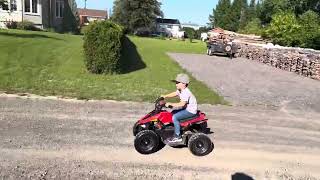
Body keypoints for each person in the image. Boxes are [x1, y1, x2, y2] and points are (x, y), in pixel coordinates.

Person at [161, 73, 198, 143]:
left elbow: (182, 104)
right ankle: (176, 128)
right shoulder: (181, 90)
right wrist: (164, 96)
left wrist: (170, 104)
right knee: (172, 113)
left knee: (175, 117)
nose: (176, 84)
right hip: (186, 109)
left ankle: (178, 136)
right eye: (175, 82)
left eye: (177, 83)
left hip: (190, 111)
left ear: (184, 84)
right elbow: (175, 93)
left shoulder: (186, 92)